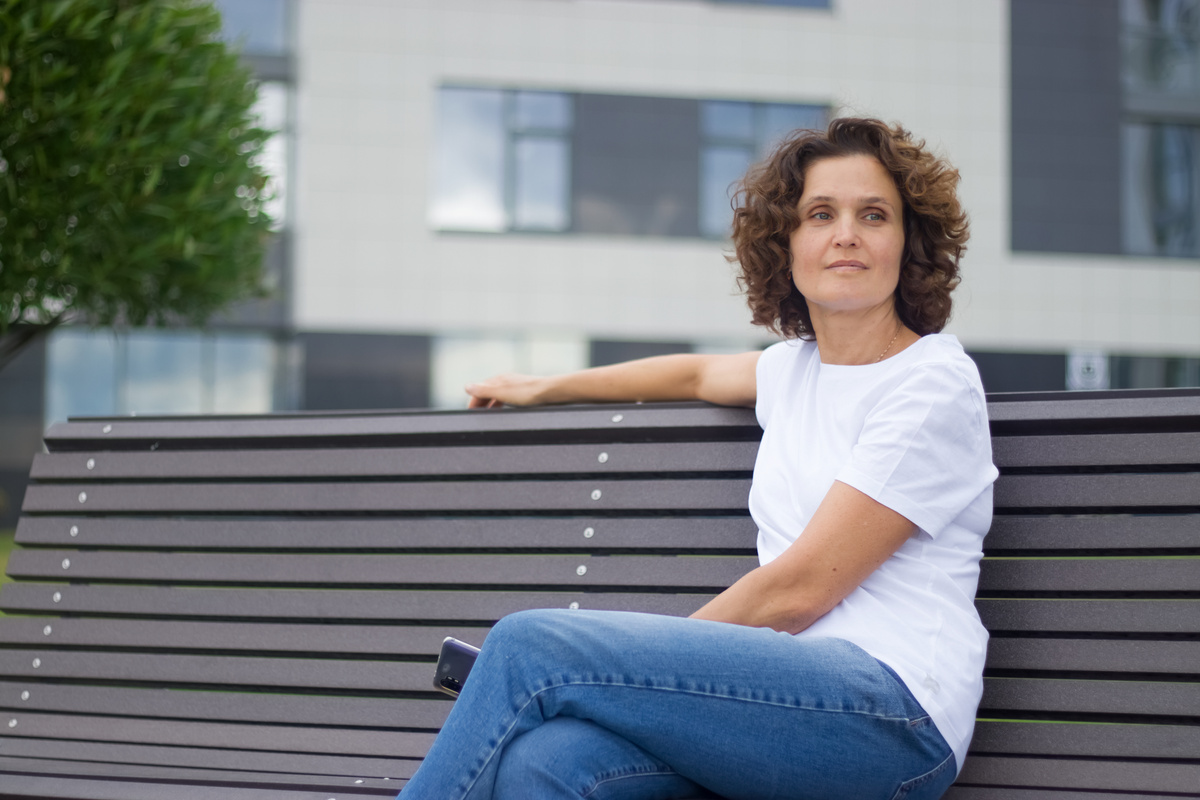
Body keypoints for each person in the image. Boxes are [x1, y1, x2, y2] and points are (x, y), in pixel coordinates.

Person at [398, 117, 998, 800]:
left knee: (529, 648)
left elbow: (798, 593)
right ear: (787, 244)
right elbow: (691, 376)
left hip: (893, 718)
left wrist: (632, 675)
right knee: (549, 761)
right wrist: (543, 385)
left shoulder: (930, 383)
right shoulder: (792, 372)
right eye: (820, 214)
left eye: (874, 215)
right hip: (775, 716)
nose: (846, 235)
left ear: (908, 242)